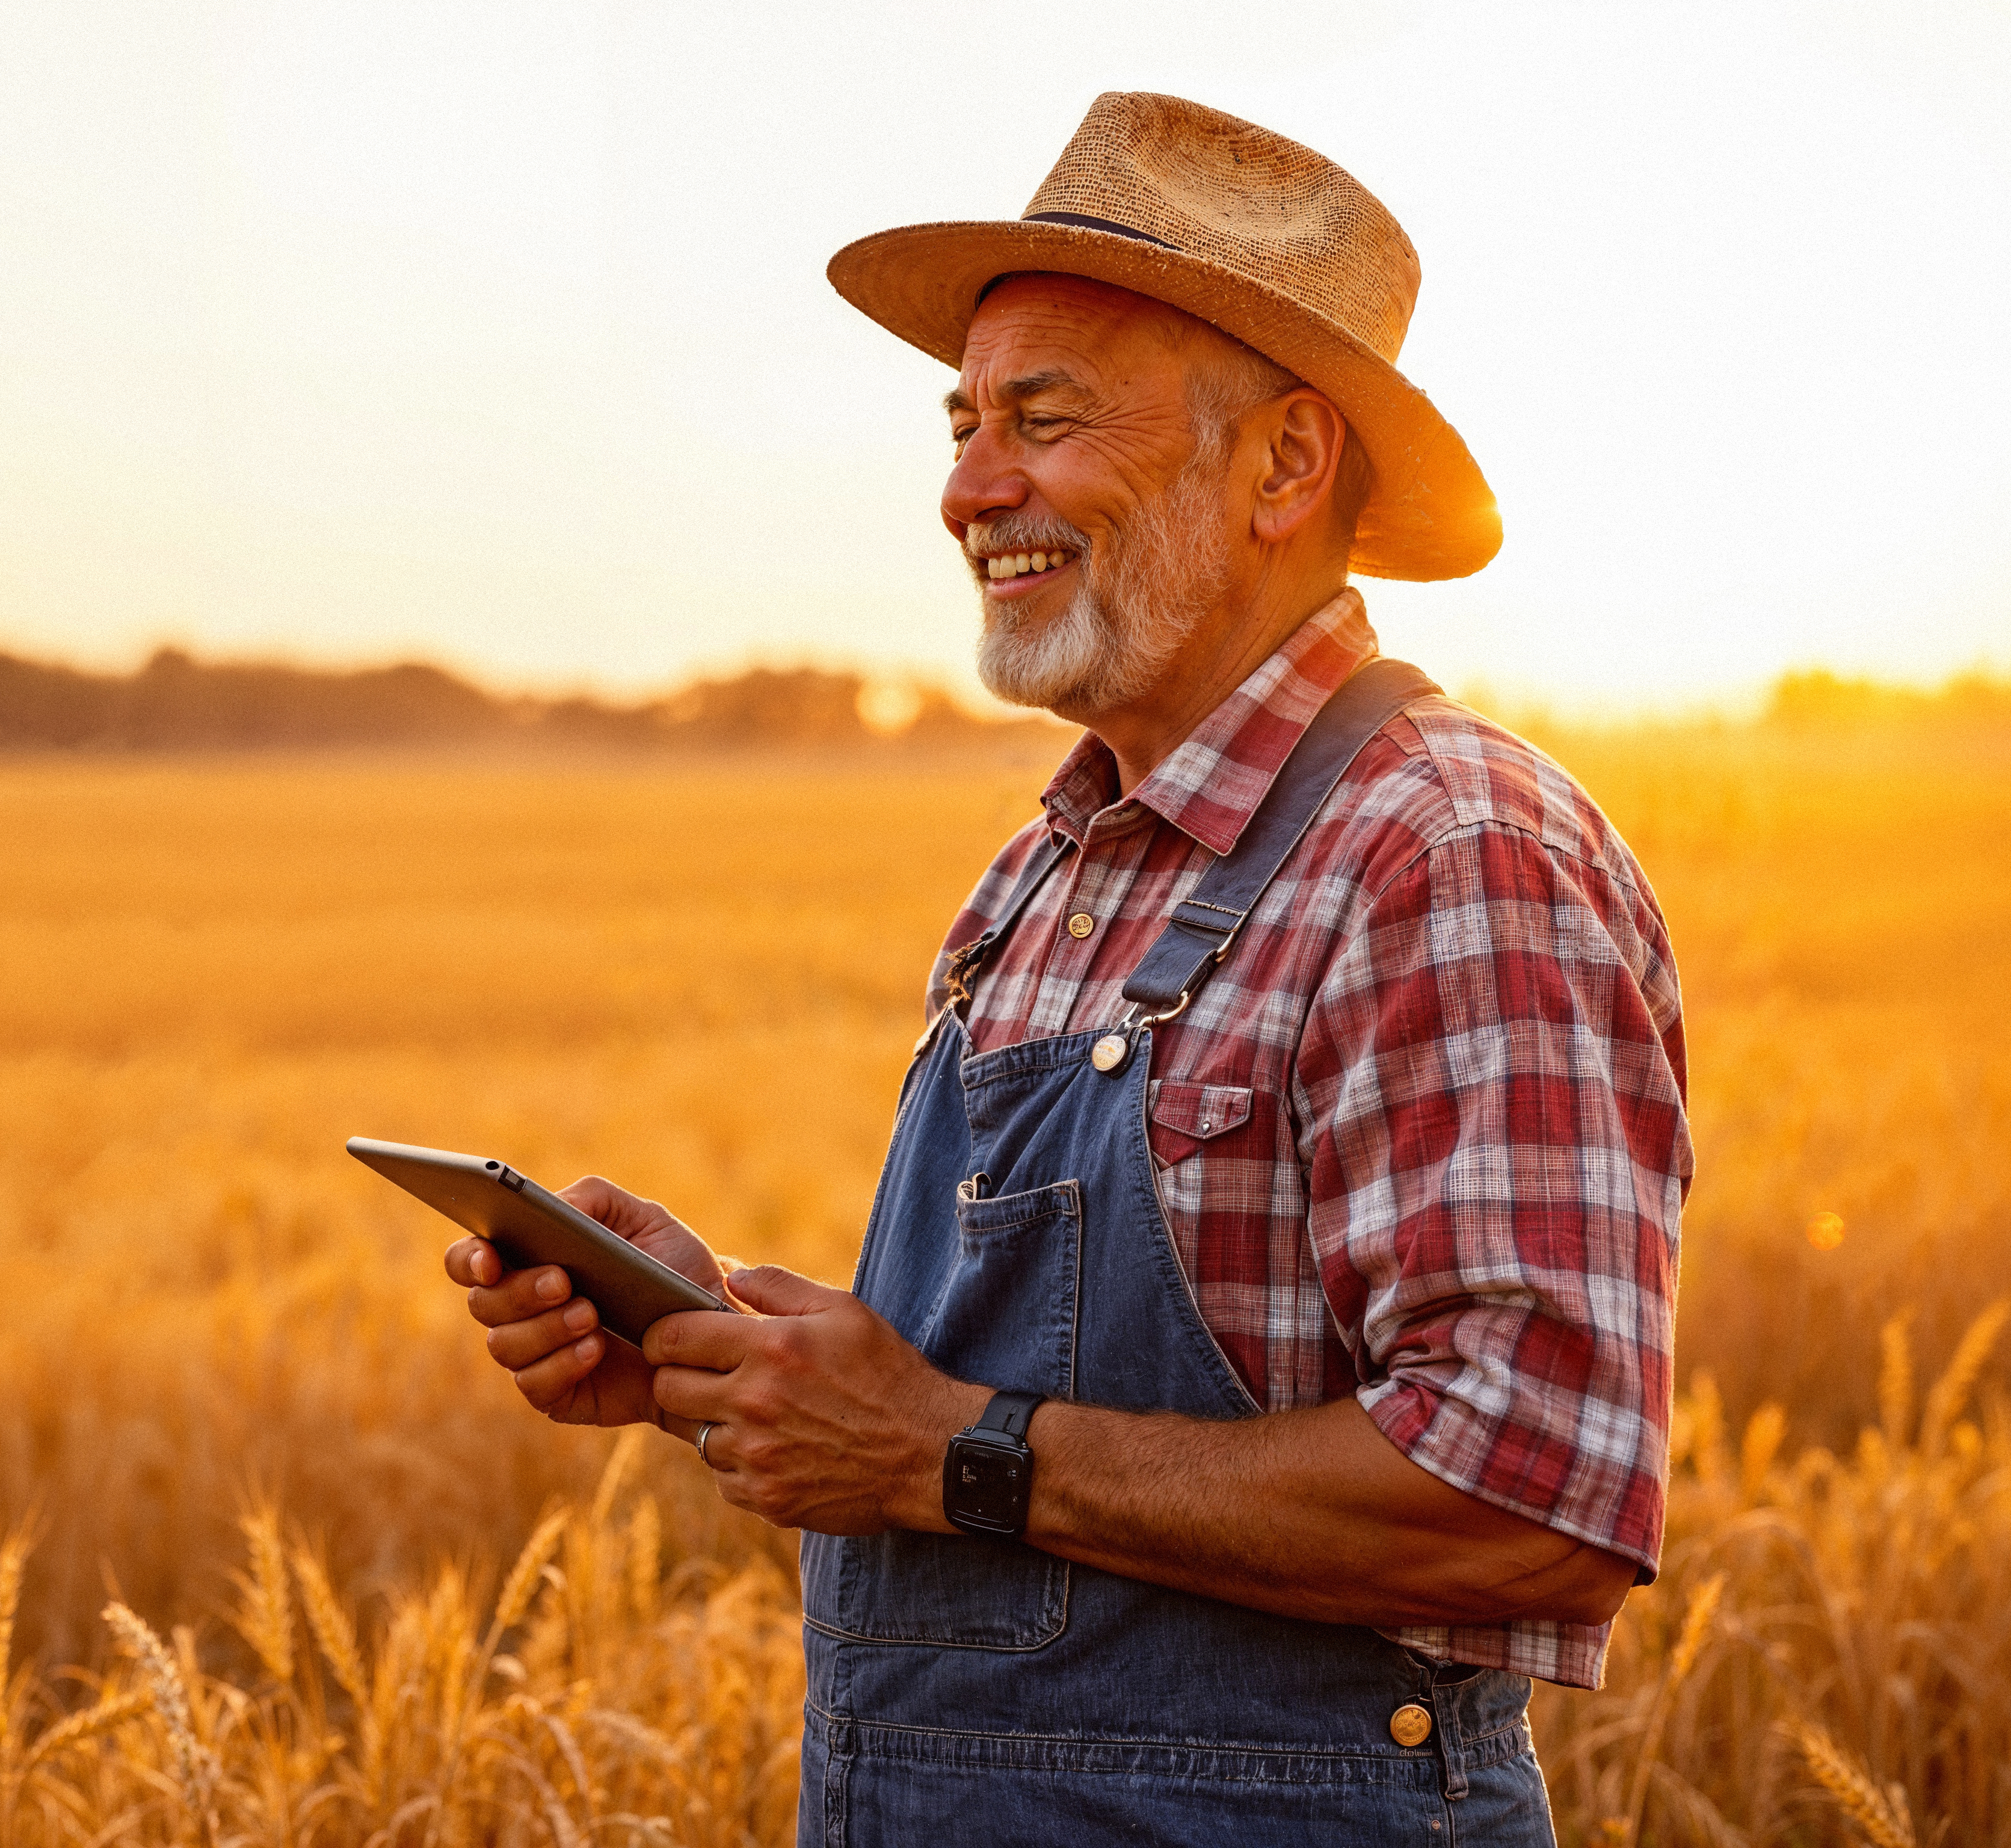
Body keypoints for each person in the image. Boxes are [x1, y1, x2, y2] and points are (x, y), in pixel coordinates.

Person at [443, 93, 1689, 1845]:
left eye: (1044, 420)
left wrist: (941, 1449)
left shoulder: (1449, 851)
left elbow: (1534, 1498)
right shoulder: (1043, 873)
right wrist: (715, 1350)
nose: (970, 489)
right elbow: (983, 1424)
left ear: (1284, 466)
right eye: (964, 426)